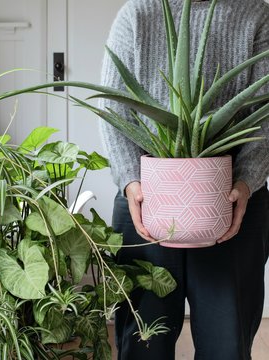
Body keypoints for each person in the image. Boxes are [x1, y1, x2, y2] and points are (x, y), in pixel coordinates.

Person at [99, 0, 269, 359]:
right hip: (147, 199)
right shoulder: (139, 12)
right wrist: (131, 181)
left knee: (228, 345)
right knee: (143, 344)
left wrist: (245, 183)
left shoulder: (255, 12)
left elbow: (264, 115)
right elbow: (114, 106)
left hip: (233, 201)